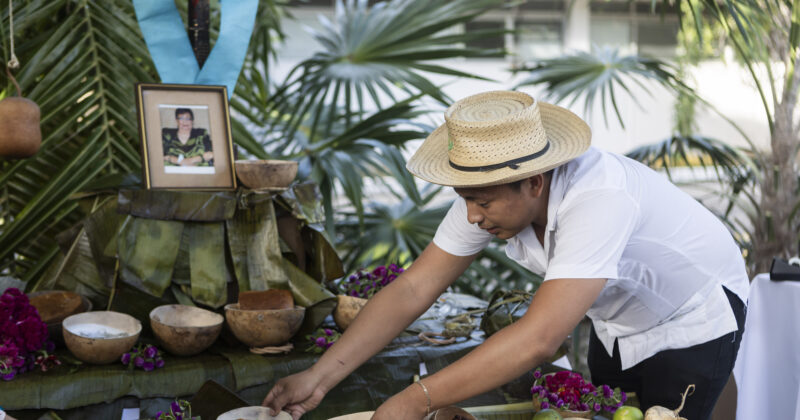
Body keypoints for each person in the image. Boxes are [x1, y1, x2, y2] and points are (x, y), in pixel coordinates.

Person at [262, 91, 748, 420]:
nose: (471, 216)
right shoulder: (487, 192)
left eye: (483, 202)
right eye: (464, 198)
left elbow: (539, 339)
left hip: (693, 313)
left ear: (535, 181)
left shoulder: (600, 198)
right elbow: (414, 288)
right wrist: (319, 377)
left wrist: (415, 400)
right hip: (620, 320)